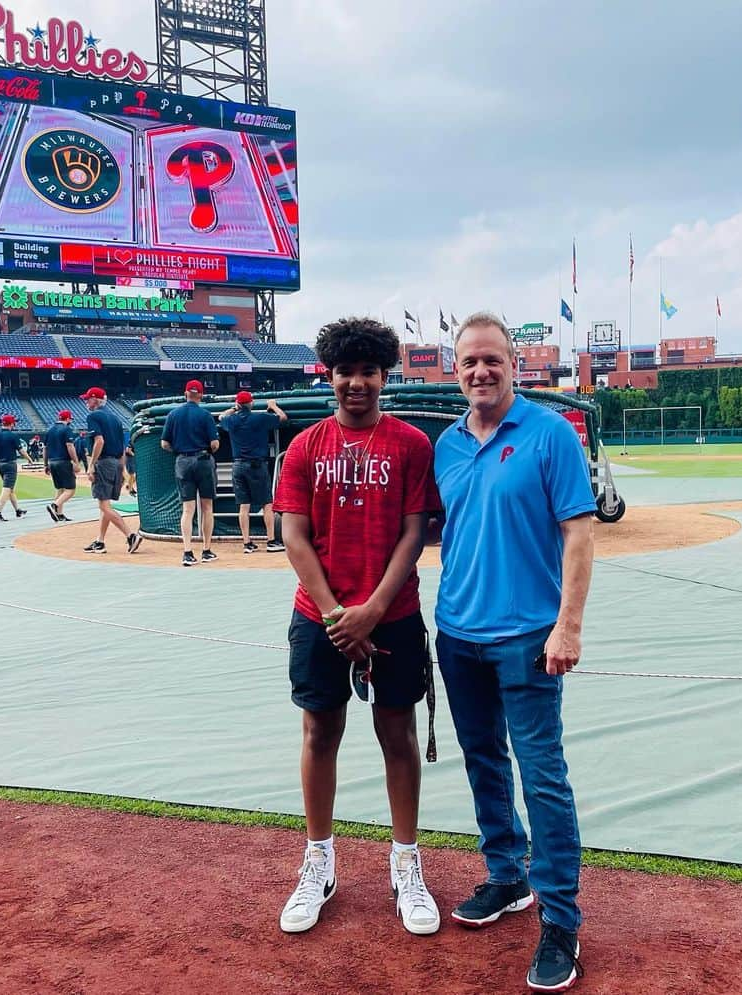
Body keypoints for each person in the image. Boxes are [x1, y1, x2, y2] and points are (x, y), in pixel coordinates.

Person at [434, 312, 596, 993]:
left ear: (513, 364)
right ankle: (507, 874)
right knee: (482, 760)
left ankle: (560, 918)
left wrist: (569, 626)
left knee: (543, 775)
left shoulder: (550, 434)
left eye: (492, 360)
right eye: (469, 361)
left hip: (528, 636)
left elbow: (580, 533)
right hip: (456, 633)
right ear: (457, 368)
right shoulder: (445, 444)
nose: (480, 371)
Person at [273, 317, 440, 938]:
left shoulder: (410, 446)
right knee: (320, 732)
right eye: (345, 372)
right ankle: (319, 858)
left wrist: (371, 609)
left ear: (383, 376)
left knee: (396, 734)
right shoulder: (305, 446)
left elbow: (413, 532)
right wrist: (337, 614)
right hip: (319, 617)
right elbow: (294, 533)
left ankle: (406, 862)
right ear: (330, 375)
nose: (356, 383)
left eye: (368, 372)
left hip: (392, 614)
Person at [219, 390, 287, 553]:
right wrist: (273, 406)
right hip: (257, 465)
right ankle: (271, 541)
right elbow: (283, 418)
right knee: (267, 503)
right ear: (251, 403)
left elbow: (221, 416)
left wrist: (234, 409)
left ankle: (247, 543)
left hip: (238, 466)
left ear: (238, 404)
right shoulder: (260, 418)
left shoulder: (232, 420)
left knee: (244, 505)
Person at [160, 380, 220, 566]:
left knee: (187, 509)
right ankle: (206, 550)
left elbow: (164, 443)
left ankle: (187, 552)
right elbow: (215, 444)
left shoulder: (173, 414)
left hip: (182, 461)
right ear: (200, 395)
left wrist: (180, 452)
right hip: (203, 460)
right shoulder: (205, 415)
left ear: (185, 393)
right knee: (207, 507)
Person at [81, 387, 142, 554]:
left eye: (88, 399)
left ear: (95, 399)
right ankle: (100, 541)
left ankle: (130, 535)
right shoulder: (115, 418)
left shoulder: (93, 416)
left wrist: (91, 465)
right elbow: (122, 448)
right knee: (105, 504)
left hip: (104, 462)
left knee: (103, 505)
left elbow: (99, 441)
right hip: (116, 463)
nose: (86, 402)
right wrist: (121, 468)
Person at [0, 414, 30, 523]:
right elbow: (21, 451)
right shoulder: (13, 436)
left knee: (10, 489)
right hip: (10, 464)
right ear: (12, 423)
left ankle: (18, 511)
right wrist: (29, 459)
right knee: (7, 488)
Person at [44, 409, 80, 522]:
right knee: (70, 490)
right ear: (68, 419)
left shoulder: (50, 430)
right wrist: (76, 462)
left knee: (60, 489)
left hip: (52, 462)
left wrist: (45, 464)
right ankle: (55, 505)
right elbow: (70, 446)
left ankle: (59, 514)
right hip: (63, 461)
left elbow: (45, 448)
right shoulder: (66, 429)